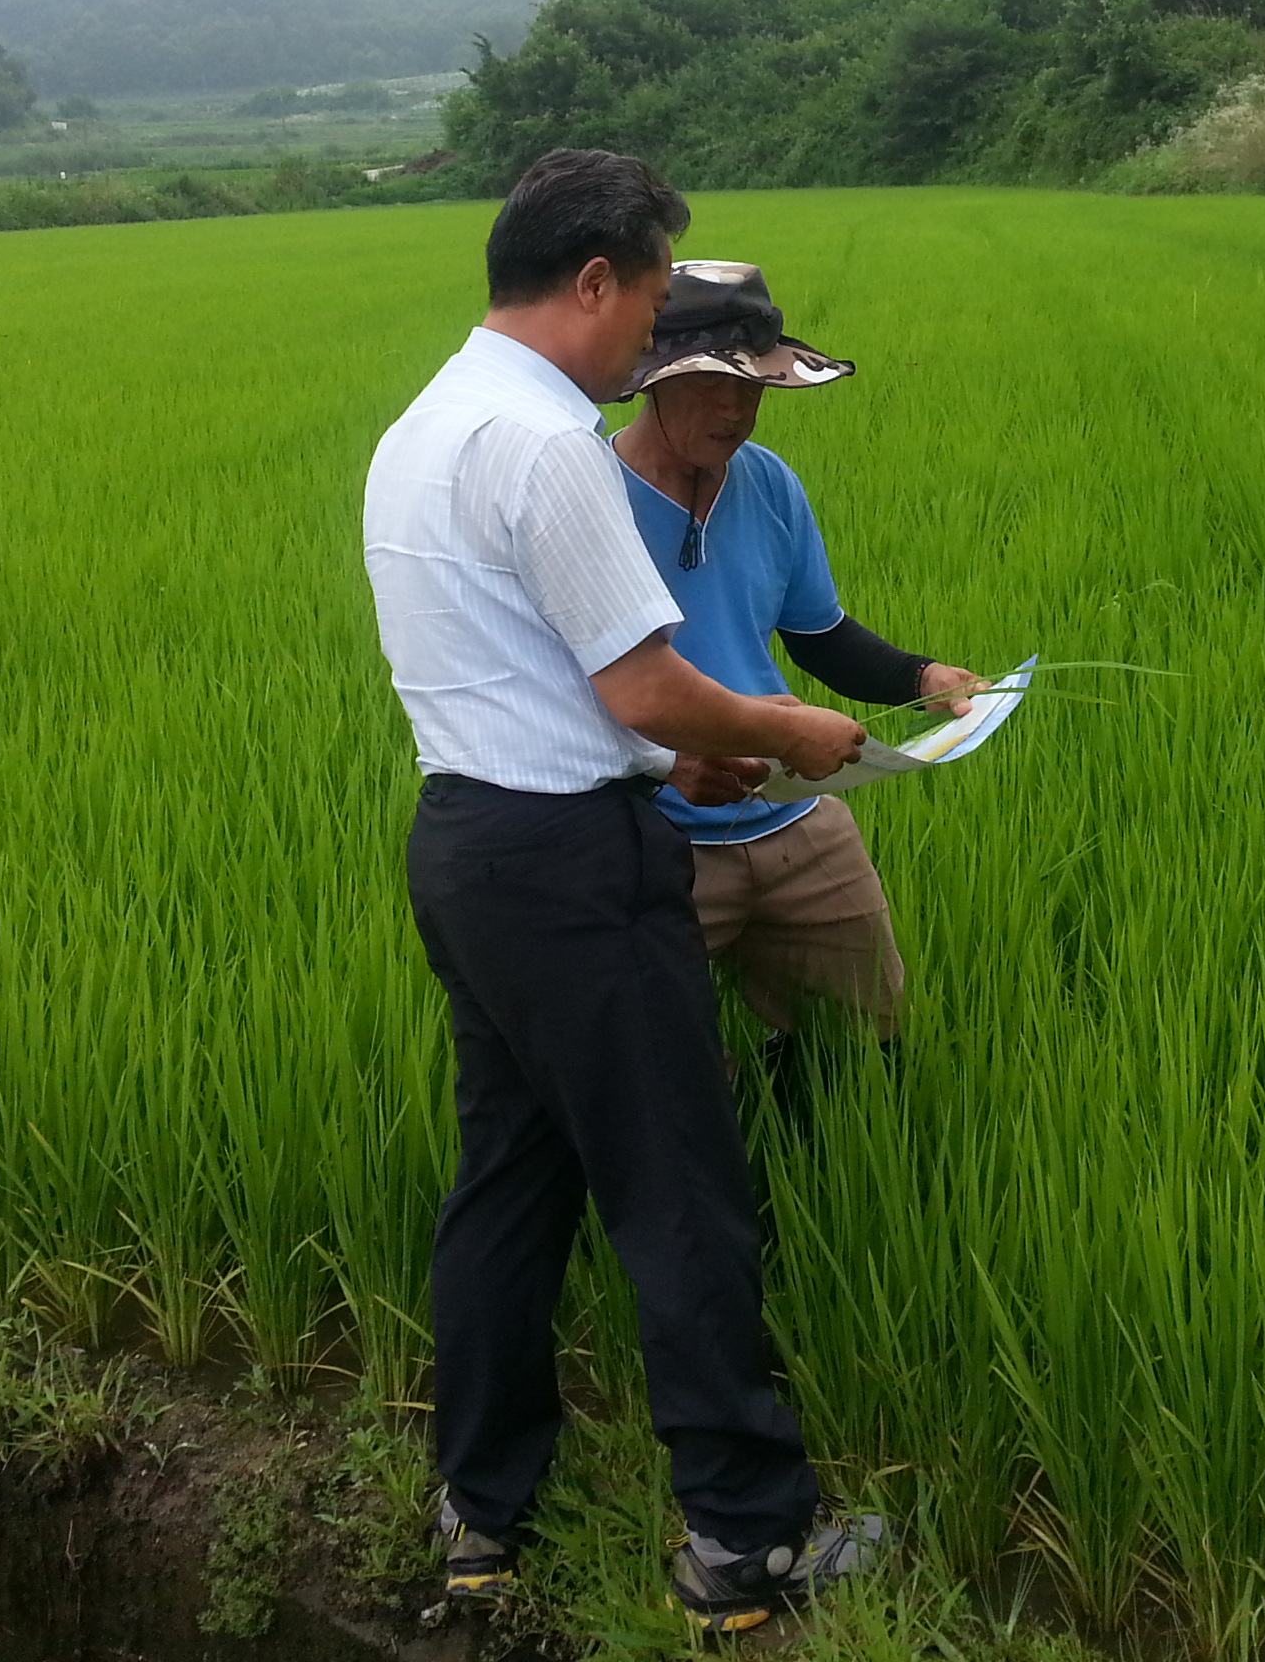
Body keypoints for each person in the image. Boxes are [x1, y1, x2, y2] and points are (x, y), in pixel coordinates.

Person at [361, 149, 887, 1632]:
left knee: (510, 1190)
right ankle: (747, 1547)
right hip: (577, 876)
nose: (654, 329)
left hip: (471, 843)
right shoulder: (546, 446)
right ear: (597, 282)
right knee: (682, 1198)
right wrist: (800, 734)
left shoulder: (428, 420)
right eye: (655, 294)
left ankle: (482, 1513)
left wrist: (670, 767)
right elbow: (650, 679)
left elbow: (545, 686)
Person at [607, 260, 983, 1101]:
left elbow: (818, 633)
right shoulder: (587, 498)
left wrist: (921, 675)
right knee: (647, 1070)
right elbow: (558, 689)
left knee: (866, 1043)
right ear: (647, 381)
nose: (736, 407)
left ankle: (813, 1161)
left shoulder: (770, 482)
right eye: (709, 384)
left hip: (792, 809)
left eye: (755, 385)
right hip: (652, 837)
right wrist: (666, 765)